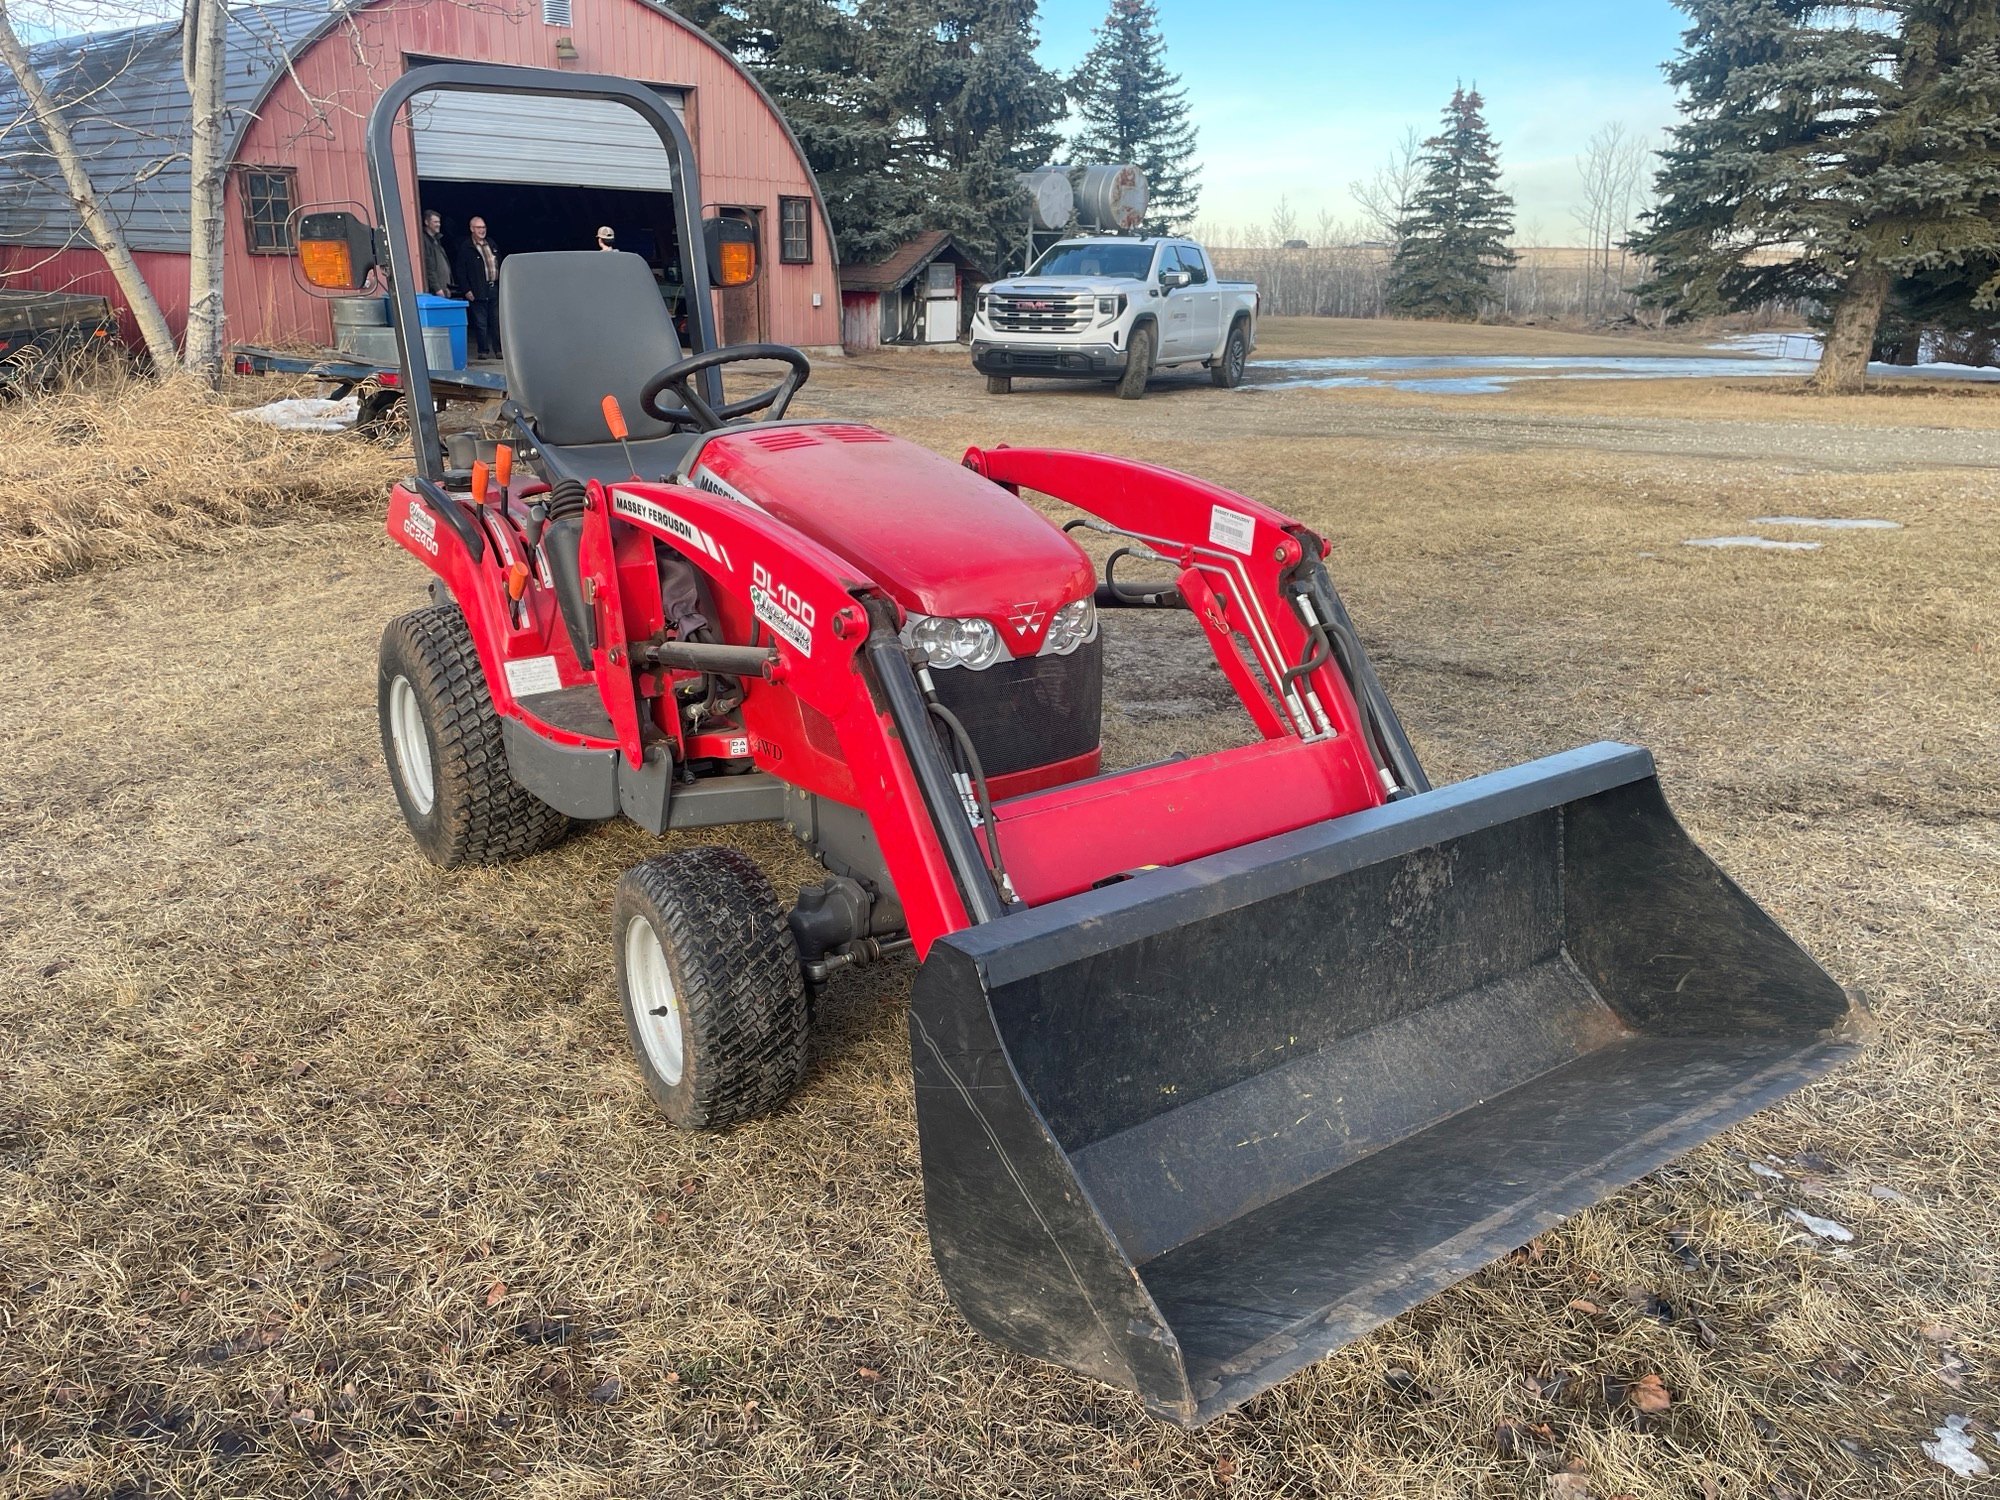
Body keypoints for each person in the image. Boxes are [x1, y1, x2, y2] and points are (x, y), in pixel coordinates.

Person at [454, 216, 502, 360]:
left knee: (496, 321)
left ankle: (499, 351)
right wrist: (467, 290)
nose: (482, 230)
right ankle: (483, 351)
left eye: (484, 227)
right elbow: (461, 271)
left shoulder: (491, 243)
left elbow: (500, 261)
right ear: (472, 229)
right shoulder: (466, 247)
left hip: (493, 287)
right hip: (477, 290)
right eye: (479, 228)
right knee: (481, 323)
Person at [421, 209, 453, 297]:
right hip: (437, 291)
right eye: (435, 222)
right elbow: (429, 267)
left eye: (439, 222)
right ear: (427, 222)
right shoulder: (425, 240)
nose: (438, 224)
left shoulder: (437, 240)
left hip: (445, 287)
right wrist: (437, 288)